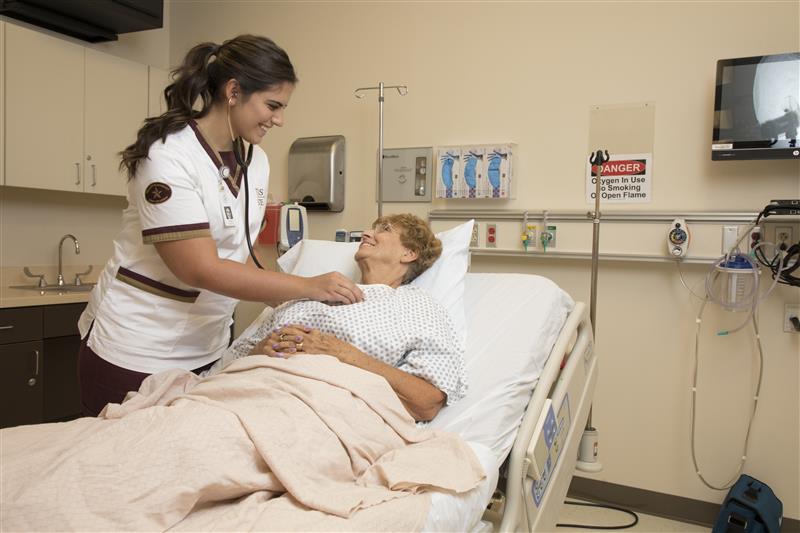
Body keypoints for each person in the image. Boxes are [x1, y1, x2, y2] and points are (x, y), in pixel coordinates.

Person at [77, 35, 363, 417]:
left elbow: (237, 255)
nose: (279, 119)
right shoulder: (168, 155)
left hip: (208, 349)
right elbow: (198, 267)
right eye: (272, 105)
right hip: (136, 349)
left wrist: (296, 302)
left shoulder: (255, 161)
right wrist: (306, 285)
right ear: (233, 91)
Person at [213, 213, 467, 422]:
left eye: (385, 229)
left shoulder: (416, 305)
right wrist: (260, 350)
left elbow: (427, 401)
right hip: (245, 396)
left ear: (409, 253)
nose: (367, 234)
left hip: (316, 413)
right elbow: (227, 368)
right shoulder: (310, 292)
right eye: (371, 227)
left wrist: (342, 353)